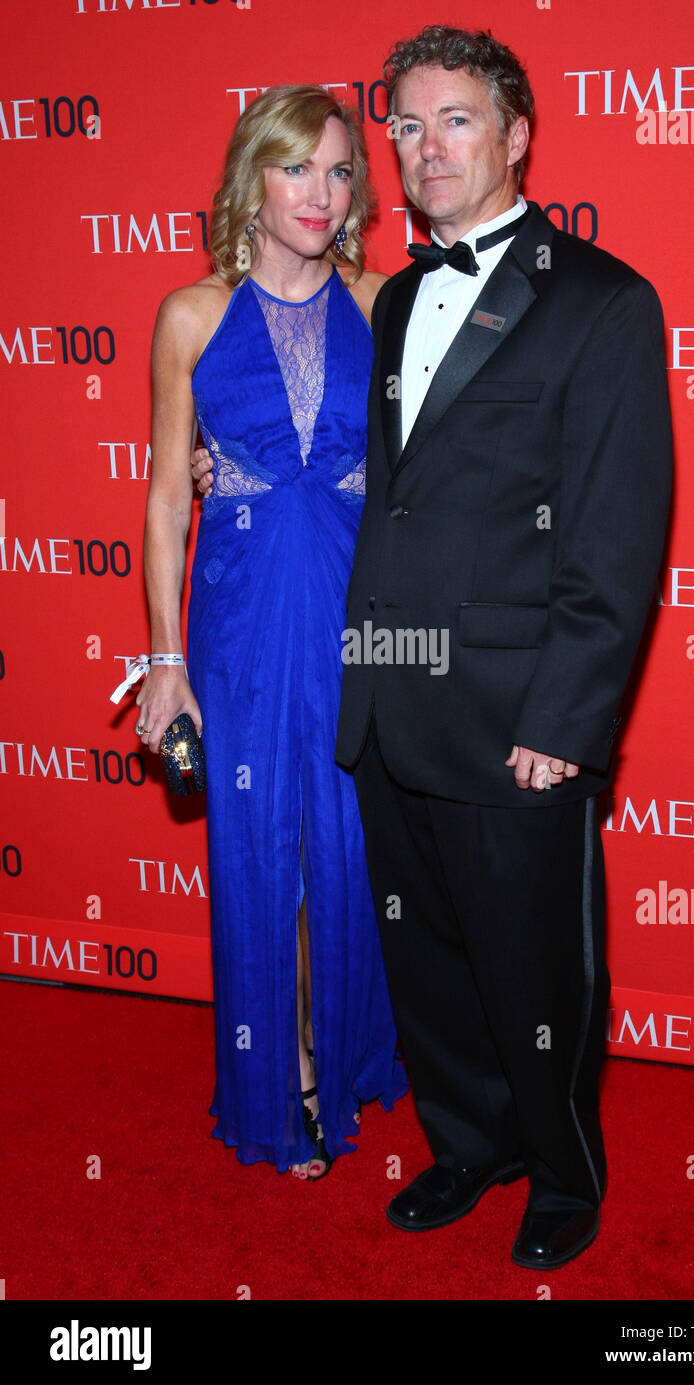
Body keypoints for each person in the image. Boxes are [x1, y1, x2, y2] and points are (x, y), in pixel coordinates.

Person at [332, 26, 673, 1266]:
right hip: (391, 695)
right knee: (425, 956)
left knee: (537, 971)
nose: (426, 148)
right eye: (406, 126)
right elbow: (399, 494)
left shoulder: (602, 301)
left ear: (517, 133)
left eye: (455, 119)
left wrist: (566, 721)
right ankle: (469, 1143)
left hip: (514, 710)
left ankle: (562, 1173)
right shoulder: (399, 299)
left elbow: (617, 534)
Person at [137, 85, 407, 1182]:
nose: (319, 192)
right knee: (261, 861)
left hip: (354, 610)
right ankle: (286, 1069)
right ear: (252, 178)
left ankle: (346, 1054)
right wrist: (164, 661)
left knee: (349, 850)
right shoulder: (192, 315)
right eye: (297, 167)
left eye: (340, 172)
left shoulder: (385, 304)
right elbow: (164, 498)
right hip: (243, 617)